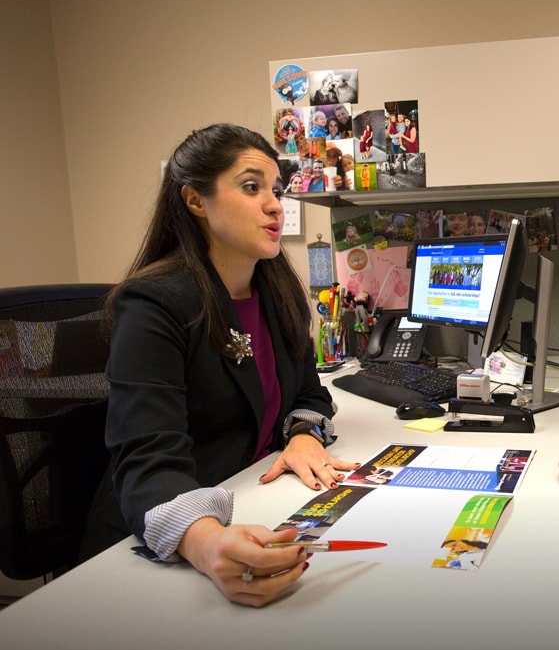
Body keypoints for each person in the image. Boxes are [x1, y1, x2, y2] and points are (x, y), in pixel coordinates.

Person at [83, 123, 358, 607]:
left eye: (276, 189)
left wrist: (300, 435)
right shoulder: (153, 305)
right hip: (160, 548)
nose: (275, 204)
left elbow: (309, 394)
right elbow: (148, 461)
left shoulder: (276, 293)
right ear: (195, 201)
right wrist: (207, 545)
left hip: (254, 502)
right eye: (252, 187)